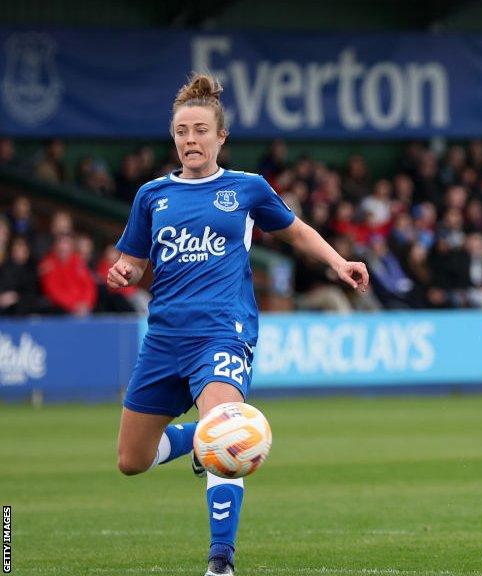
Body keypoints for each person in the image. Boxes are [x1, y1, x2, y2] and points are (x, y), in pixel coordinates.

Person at [107, 73, 369, 576]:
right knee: (131, 460)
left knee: (228, 434)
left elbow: (296, 232)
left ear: (220, 137)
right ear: (173, 137)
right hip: (163, 337)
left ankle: (220, 560)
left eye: (201, 130)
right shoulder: (151, 196)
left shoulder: (246, 189)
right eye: (182, 131)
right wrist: (124, 271)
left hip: (223, 332)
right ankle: (194, 441)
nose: (191, 140)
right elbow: (132, 263)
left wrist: (338, 263)